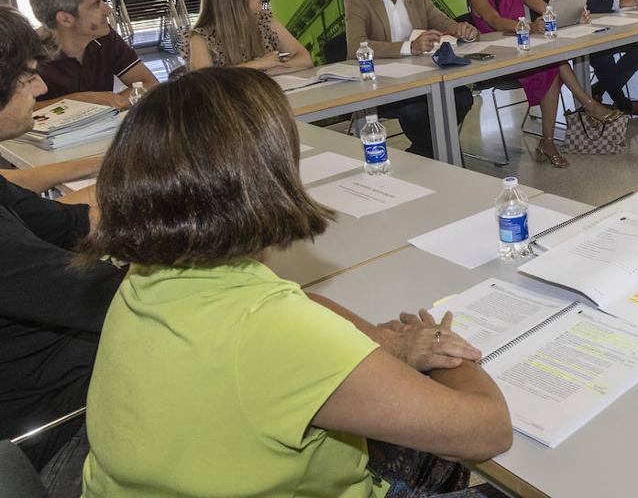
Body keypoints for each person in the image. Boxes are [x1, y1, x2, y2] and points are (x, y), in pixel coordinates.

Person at [79, 68, 511, 497]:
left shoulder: (147, 273)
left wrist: (387, 342)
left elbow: (292, 301)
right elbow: (489, 430)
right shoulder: (272, 334)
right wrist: (442, 345)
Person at [0, 6, 123, 498]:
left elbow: (64, 223)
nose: (41, 89)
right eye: (27, 78)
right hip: (59, 429)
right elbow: (107, 296)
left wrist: (152, 185)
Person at [468, 0, 619, 167]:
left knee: (552, 63)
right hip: (494, 58)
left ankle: (552, 138)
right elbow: (495, 21)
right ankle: (587, 107)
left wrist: (575, 15)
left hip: (522, 51)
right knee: (554, 63)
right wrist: (530, 27)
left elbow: (548, 11)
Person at [344, 0, 478, 158]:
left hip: (422, 77)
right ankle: (443, 157)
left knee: (461, 97)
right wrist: (409, 47)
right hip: (384, 84)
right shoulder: (357, 0)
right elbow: (355, 47)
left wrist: (463, 30)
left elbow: (443, 22)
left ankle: (422, 154)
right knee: (417, 111)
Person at [29, 0, 159, 110]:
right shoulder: (26, 53)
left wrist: (114, 101)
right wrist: (75, 101)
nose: (108, 10)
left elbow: (149, 84)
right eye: (96, 4)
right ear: (65, 19)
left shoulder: (105, 37)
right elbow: (9, 115)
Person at [186, 0, 313, 73]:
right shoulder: (200, 37)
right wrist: (259, 65)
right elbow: (205, 81)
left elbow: (305, 59)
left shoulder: (265, 21)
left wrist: (272, 68)